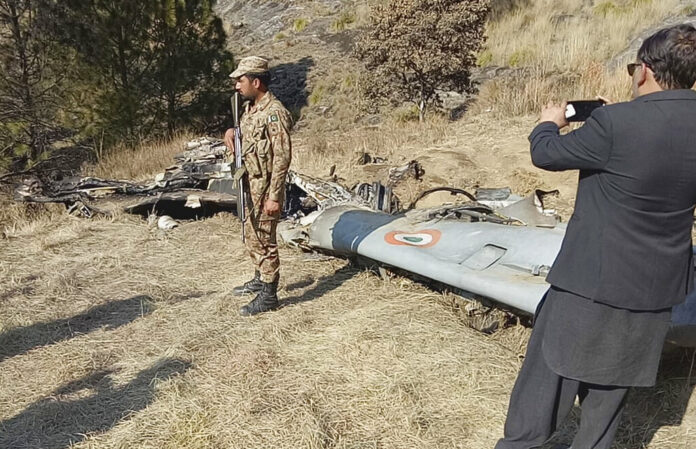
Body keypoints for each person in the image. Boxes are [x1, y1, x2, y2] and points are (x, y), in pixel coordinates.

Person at [496, 24, 696, 449]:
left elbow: (545, 155)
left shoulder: (614, 122)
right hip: (655, 289)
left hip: (587, 284)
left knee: (541, 393)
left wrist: (548, 124)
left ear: (643, 71)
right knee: (608, 402)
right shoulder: (622, 121)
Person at [224, 56, 293, 317]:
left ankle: (269, 293)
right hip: (249, 186)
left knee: (265, 240)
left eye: (240, 80)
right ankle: (259, 276)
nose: (236, 86)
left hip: (265, 190)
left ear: (256, 81)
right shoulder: (252, 109)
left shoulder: (274, 113)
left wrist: (274, 196)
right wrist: (232, 133)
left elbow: (282, 157)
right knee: (252, 234)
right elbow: (249, 139)